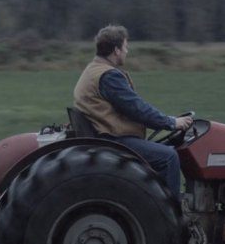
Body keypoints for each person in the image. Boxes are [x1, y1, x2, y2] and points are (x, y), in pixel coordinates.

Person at [73, 24, 193, 196]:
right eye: (125, 47)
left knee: (161, 149)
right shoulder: (109, 76)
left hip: (104, 136)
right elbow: (138, 109)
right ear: (116, 50)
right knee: (169, 157)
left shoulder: (92, 69)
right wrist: (172, 122)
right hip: (115, 140)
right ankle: (172, 216)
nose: (127, 51)